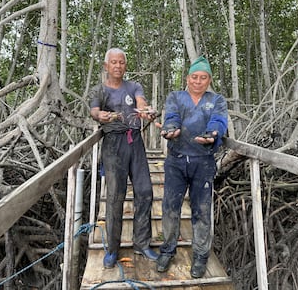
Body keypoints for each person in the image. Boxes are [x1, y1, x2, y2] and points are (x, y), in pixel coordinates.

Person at [157, 56, 228, 278]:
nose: (198, 81)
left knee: (202, 211)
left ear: (209, 80)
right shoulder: (176, 97)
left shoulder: (217, 100)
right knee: (170, 207)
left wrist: (213, 134)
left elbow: (219, 121)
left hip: (203, 162)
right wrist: (171, 129)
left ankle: (200, 255)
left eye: (203, 78)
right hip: (176, 160)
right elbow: (171, 116)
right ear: (187, 78)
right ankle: (167, 250)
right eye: (194, 77)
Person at [89, 48, 159, 268]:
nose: (118, 66)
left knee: (145, 190)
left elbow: (140, 103)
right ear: (106, 65)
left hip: (134, 142)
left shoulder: (133, 86)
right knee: (114, 197)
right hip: (112, 145)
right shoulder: (99, 90)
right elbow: (94, 111)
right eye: (114, 62)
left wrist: (146, 111)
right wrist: (100, 115)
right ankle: (112, 249)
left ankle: (142, 243)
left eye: (121, 63)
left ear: (125, 66)